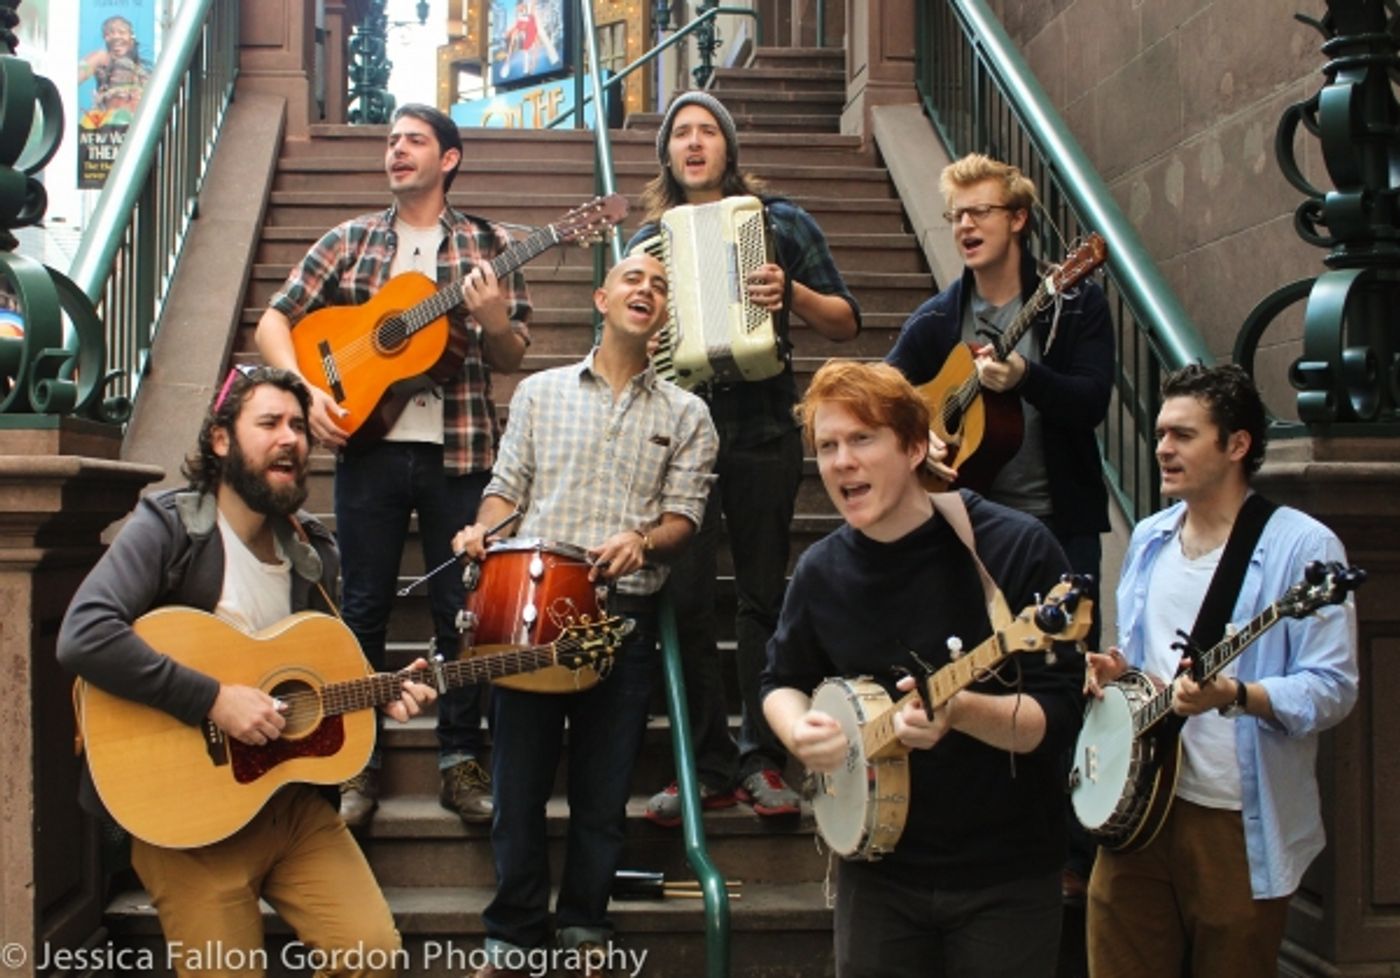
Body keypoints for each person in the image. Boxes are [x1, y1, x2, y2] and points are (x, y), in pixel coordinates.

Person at [57, 366, 439, 978]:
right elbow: (84, 635)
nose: (289, 438)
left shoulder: (314, 553)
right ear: (221, 440)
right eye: (268, 424)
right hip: (186, 821)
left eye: (297, 426)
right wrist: (212, 699)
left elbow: (309, 672)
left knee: (372, 956)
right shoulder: (171, 528)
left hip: (286, 806)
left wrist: (380, 692)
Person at [256, 103, 532, 829]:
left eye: (413, 141)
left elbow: (510, 357)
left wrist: (496, 318)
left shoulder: (488, 244)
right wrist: (305, 387)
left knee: (463, 614)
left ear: (449, 159)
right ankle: (357, 759)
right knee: (364, 607)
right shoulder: (349, 242)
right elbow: (275, 320)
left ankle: (460, 758)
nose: (396, 150)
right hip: (368, 449)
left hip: (462, 451)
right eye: (390, 140)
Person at [760, 360, 1085, 978]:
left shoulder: (1014, 547)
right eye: (826, 446)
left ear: (913, 447)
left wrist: (962, 712)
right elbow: (781, 682)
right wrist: (798, 729)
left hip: (1006, 874)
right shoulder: (822, 572)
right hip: (877, 874)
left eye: (862, 439)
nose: (840, 462)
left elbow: (1060, 713)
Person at [452, 252, 717, 977]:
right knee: (516, 789)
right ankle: (513, 930)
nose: (648, 290)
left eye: (661, 286)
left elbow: (683, 517)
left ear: (663, 316)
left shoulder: (689, 415)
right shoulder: (538, 393)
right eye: (634, 278)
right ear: (602, 297)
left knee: (603, 795)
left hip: (621, 621)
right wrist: (486, 529)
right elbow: (508, 488)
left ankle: (584, 925)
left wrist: (644, 540)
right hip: (529, 613)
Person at [885, 153, 1112, 914]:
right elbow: (883, 402)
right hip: (970, 534)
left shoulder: (1071, 303)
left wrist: (1028, 381)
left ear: (1017, 219)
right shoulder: (937, 321)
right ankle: (984, 843)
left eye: (979, 212)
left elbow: (1091, 402)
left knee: (1067, 686)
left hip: (1058, 525)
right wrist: (926, 441)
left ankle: (1073, 853)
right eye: (954, 216)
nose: (965, 227)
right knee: (974, 685)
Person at [626, 91, 861, 825]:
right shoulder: (646, 241)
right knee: (687, 600)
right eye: (681, 135)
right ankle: (706, 767)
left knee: (762, 595)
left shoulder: (781, 222)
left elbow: (847, 322)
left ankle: (763, 759)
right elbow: (630, 343)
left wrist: (789, 292)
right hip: (680, 436)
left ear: (729, 148)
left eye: (707, 132)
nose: (694, 143)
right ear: (667, 154)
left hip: (763, 426)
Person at [1083, 363, 1359, 978]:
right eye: (1159, 433)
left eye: (1183, 435)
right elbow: (1147, 660)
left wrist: (1236, 693)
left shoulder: (1303, 548)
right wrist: (1114, 672)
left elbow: (1334, 688)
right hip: (1137, 806)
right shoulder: (1151, 537)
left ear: (1237, 445)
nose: (1162, 448)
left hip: (1235, 818)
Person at [79, 15, 151, 123]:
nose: (116, 37)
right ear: (105, 38)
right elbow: (77, 74)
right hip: (110, 127)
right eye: (110, 33)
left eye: (122, 32)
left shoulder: (141, 68)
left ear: (131, 37)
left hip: (137, 125)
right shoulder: (100, 57)